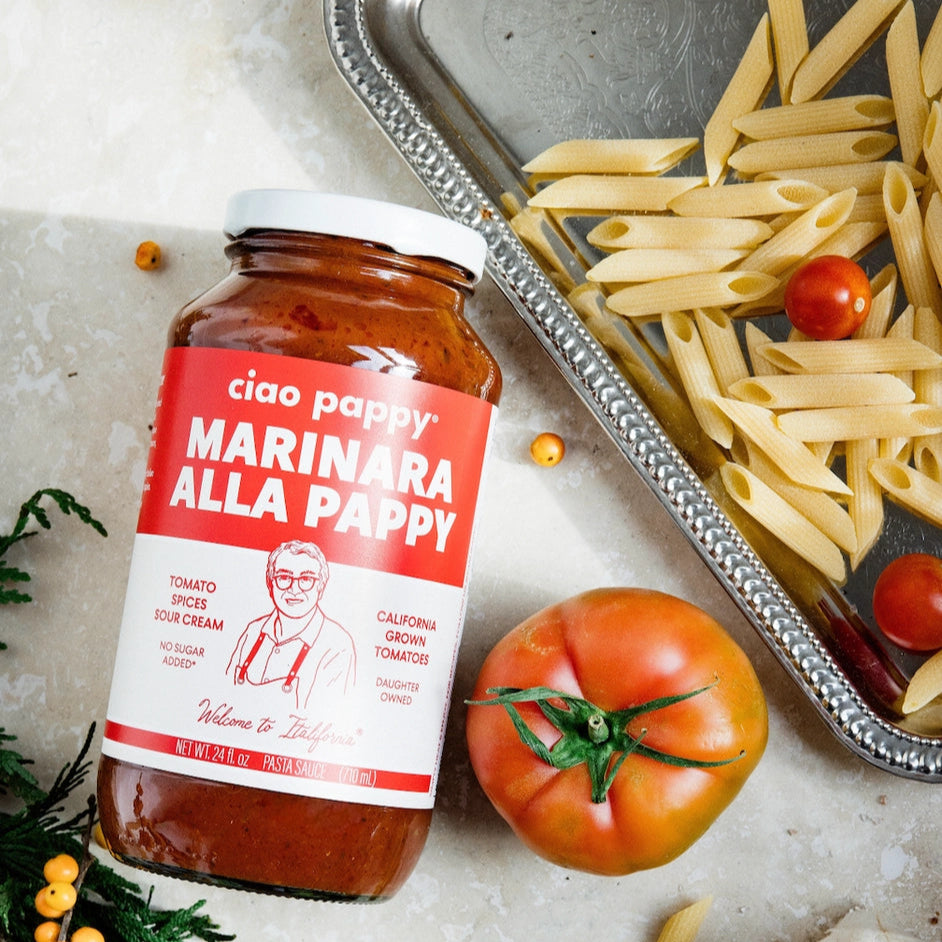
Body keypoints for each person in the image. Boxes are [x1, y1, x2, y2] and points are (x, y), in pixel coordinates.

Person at [227, 540, 356, 709]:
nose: (294, 589)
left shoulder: (337, 645)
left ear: (321, 587)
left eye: (306, 579)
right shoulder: (253, 631)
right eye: (284, 577)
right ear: (270, 583)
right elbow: (224, 690)